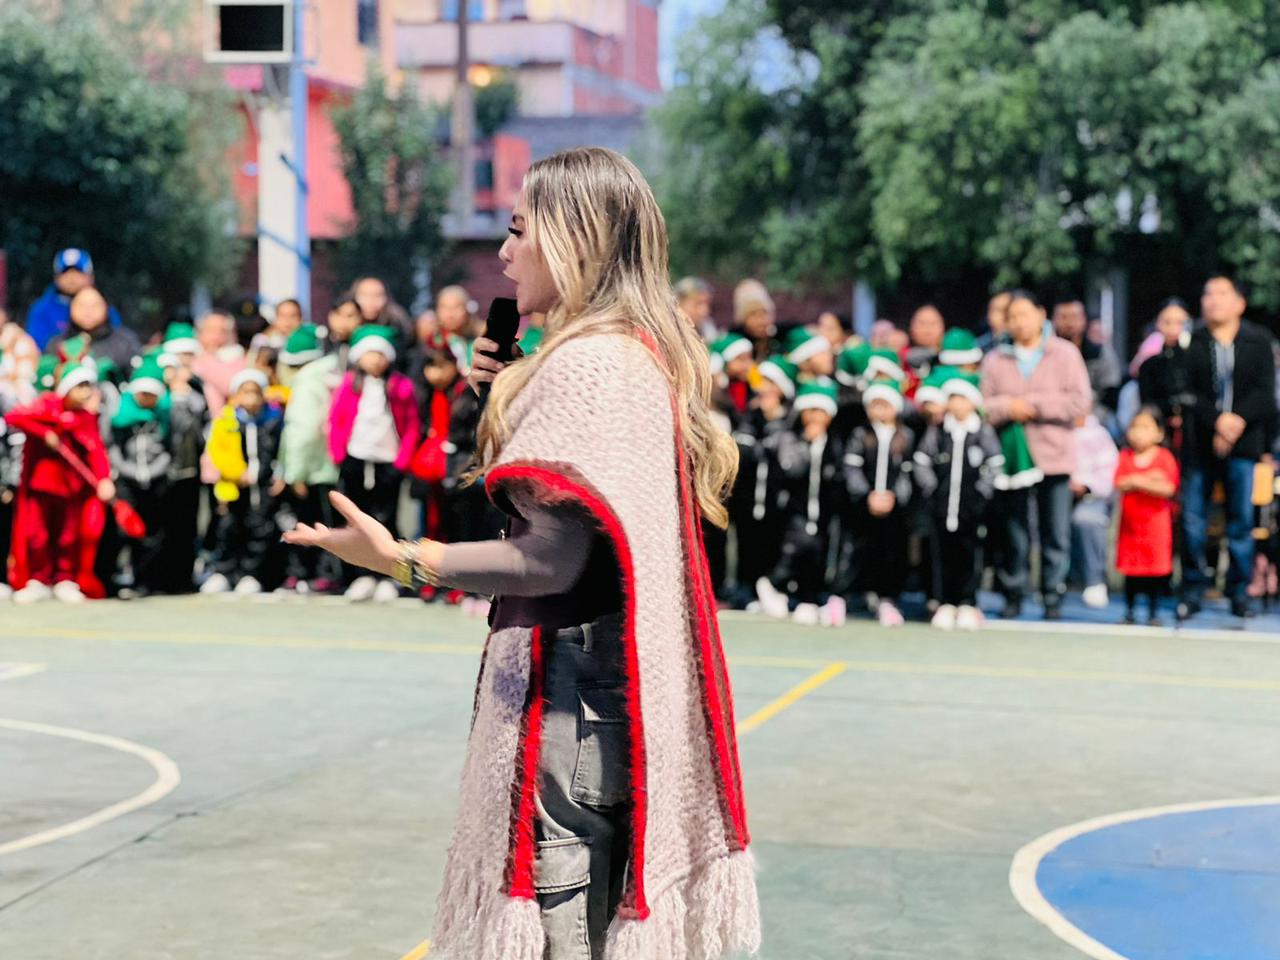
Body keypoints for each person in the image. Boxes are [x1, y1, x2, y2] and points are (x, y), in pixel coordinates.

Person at [284, 146, 760, 960]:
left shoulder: (589, 363)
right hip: (613, 699)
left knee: (558, 937)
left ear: (572, 237)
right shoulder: (632, 351)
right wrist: (499, 395)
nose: (503, 254)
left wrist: (402, 558)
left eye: (517, 230)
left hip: (572, 701)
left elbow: (553, 559)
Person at [981, 290, 1092, 619]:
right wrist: (1008, 407)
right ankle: (1012, 592)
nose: (1018, 322)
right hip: (1012, 460)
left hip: (1053, 456)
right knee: (1013, 531)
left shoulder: (1065, 353)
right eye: (1012, 316)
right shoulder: (995, 357)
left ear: (1041, 314)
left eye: (1024, 314)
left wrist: (1035, 405)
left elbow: (1079, 402)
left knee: (1054, 532)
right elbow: (982, 404)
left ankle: (1052, 595)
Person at [1179, 276, 1278, 619]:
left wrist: (1235, 421)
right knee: (1192, 521)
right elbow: (1186, 392)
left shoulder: (1258, 340)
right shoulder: (1191, 340)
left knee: (1240, 522)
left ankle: (1239, 592)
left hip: (1244, 444)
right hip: (1199, 444)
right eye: (1208, 294)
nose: (1213, 300)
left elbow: (1266, 395)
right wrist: (1216, 420)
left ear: (1239, 303)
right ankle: (1192, 588)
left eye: (1222, 294)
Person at [5, 358, 115, 602]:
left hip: (71, 488)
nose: (86, 392)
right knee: (37, 534)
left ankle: (65, 578)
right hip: (40, 485)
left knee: (68, 535)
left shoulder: (85, 417)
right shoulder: (46, 407)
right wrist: (46, 431)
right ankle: (39, 578)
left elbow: (96, 449)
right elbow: (15, 417)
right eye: (81, 386)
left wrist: (104, 478)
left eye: (89, 386)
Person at [327, 325, 420, 603]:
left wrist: (402, 461)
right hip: (355, 459)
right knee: (357, 520)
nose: (375, 360)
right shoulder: (349, 385)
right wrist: (338, 454)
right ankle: (359, 575)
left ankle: (391, 576)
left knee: (387, 519)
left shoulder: (401, 386)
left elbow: (413, 425)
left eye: (380, 354)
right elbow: (336, 420)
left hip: (388, 462)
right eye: (370, 354)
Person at [752, 378, 847, 627]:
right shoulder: (791, 438)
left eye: (821, 411)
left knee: (819, 552)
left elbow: (838, 476)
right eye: (811, 411)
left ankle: (810, 599)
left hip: (825, 511)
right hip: (796, 509)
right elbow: (792, 470)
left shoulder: (835, 442)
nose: (815, 417)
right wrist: (807, 443)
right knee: (797, 548)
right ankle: (773, 584)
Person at [913, 371, 1002, 631]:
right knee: (941, 553)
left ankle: (967, 602)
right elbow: (922, 461)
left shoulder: (981, 432)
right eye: (952, 398)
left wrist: (981, 493)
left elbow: (994, 464)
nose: (956, 404)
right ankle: (944, 602)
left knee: (970, 554)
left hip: (970, 509)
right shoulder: (939, 432)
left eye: (962, 398)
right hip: (941, 506)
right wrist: (931, 487)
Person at [201, 368, 283, 595]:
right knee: (229, 529)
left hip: (263, 487)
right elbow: (217, 451)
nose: (251, 398)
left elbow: (281, 450)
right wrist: (238, 473)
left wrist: (280, 473)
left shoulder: (273, 420)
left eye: (255, 392)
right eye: (245, 392)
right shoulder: (226, 421)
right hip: (233, 486)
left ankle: (251, 574)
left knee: (259, 530)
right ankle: (224, 572)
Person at [843, 378, 916, 627]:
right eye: (875, 405)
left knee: (891, 553)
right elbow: (852, 468)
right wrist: (867, 495)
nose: (880, 411)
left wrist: (894, 496)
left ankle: (888, 599)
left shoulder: (905, 436)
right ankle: (848, 596)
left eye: (885, 405)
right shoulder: (860, 435)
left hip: (894, 509)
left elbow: (908, 473)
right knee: (859, 550)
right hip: (864, 507)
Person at [277, 325, 343, 594]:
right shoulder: (331, 374)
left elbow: (302, 431)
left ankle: (318, 573)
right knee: (331, 523)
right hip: (330, 464)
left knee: (312, 525)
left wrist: (294, 473)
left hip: (310, 468)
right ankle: (330, 573)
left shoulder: (305, 382)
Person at [109, 355, 172, 599]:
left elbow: (170, 447)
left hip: (156, 479)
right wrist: (129, 471)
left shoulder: (164, 415)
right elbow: (112, 446)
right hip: (127, 479)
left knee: (152, 532)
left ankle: (146, 579)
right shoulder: (120, 414)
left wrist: (154, 471)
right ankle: (120, 574)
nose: (145, 399)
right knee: (124, 530)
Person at [1115, 407, 1180, 624]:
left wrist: (1137, 481)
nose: (1138, 433)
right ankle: (1130, 611)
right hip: (1130, 527)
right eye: (1135, 427)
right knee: (1131, 573)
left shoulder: (1164, 457)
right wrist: (1148, 480)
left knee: (1155, 573)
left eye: (1145, 427)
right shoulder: (1125, 456)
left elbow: (1168, 488)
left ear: (1159, 433)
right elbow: (1120, 483)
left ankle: (1153, 612)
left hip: (1155, 526)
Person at [24, 248, 122, 350]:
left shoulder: (105, 309)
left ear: (90, 277)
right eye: (66, 272)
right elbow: (36, 348)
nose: (72, 278)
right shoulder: (41, 309)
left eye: (78, 272)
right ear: (56, 277)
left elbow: (118, 341)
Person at [1070, 413, 1120, 609]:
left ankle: (1094, 580)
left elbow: (1109, 474)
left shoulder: (1099, 434)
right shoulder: (1054, 429)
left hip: (1093, 496)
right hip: (1056, 491)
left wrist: (1085, 485)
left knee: (1086, 519)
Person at [1137, 298, 1193, 453]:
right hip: (1161, 436)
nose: (1173, 328)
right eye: (1167, 322)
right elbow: (1148, 403)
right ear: (1158, 324)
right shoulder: (1149, 365)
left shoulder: (1197, 360)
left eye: (1180, 322)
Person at [46, 287, 140, 374]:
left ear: (106, 307)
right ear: (71, 308)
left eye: (95, 305)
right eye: (81, 305)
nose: (88, 311)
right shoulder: (57, 344)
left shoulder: (125, 342)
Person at [1053, 299, 1122, 412]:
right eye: (1063, 317)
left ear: (1084, 320)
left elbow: (1110, 391)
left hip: (1094, 413)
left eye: (1074, 317)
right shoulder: (1044, 354)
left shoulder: (1100, 353)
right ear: (1054, 320)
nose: (1069, 323)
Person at [192, 309, 246, 415]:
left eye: (222, 331)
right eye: (210, 330)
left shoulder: (237, 356)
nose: (215, 335)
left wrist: (209, 359)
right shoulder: (189, 352)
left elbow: (230, 386)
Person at [733, 278, 780, 363]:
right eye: (754, 315)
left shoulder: (779, 337)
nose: (761, 322)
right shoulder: (736, 341)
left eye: (764, 314)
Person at [675, 276, 717, 342]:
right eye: (698, 303)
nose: (705, 311)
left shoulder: (707, 328)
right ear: (679, 303)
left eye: (707, 304)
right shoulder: (670, 330)